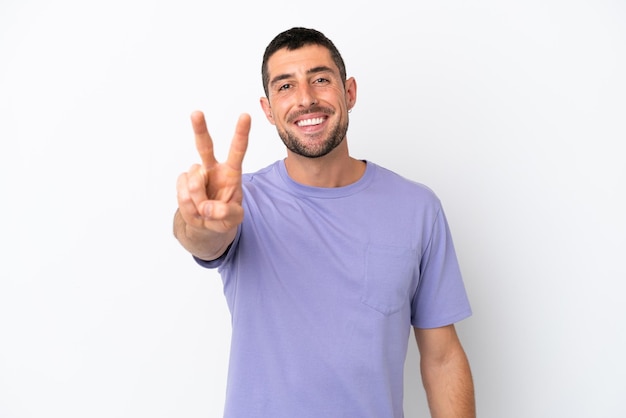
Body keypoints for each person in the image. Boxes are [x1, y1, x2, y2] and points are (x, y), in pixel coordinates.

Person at [174, 27, 475, 418]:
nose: (305, 98)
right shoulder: (241, 203)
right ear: (268, 110)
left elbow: (442, 358)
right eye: (285, 86)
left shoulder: (418, 208)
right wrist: (201, 221)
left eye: (320, 79)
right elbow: (202, 239)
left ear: (349, 92)